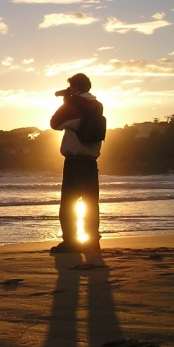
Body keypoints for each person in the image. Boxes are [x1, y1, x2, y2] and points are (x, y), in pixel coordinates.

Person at [49, 73, 104, 253]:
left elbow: (54, 123)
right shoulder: (97, 105)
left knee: (69, 204)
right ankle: (92, 241)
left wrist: (67, 100)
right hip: (90, 162)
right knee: (90, 203)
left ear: (74, 87)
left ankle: (71, 242)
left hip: (74, 162)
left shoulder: (73, 105)